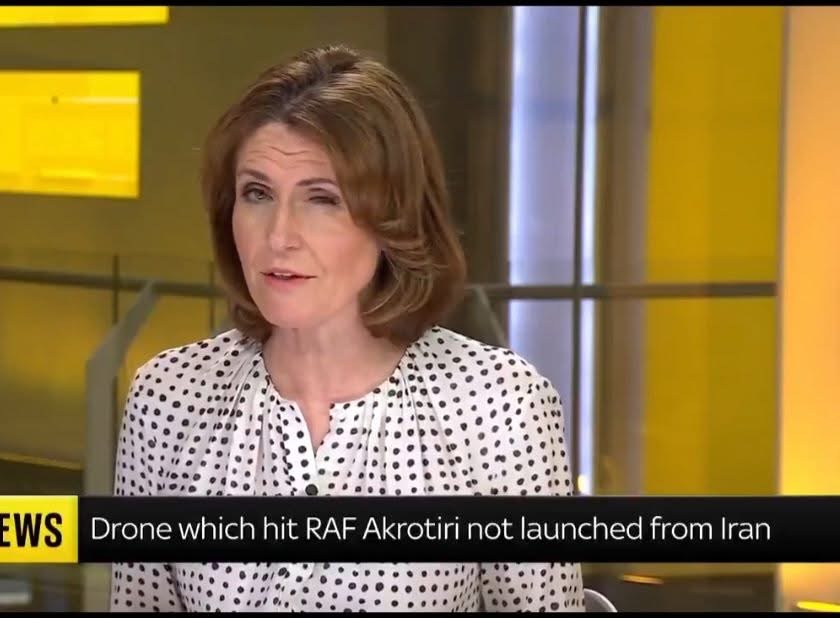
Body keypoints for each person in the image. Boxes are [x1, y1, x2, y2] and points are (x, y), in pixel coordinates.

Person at [111, 43, 585, 612]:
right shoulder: (167, 396)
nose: (279, 236)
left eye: (323, 199)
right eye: (257, 193)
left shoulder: (499, 407)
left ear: (393, 220)